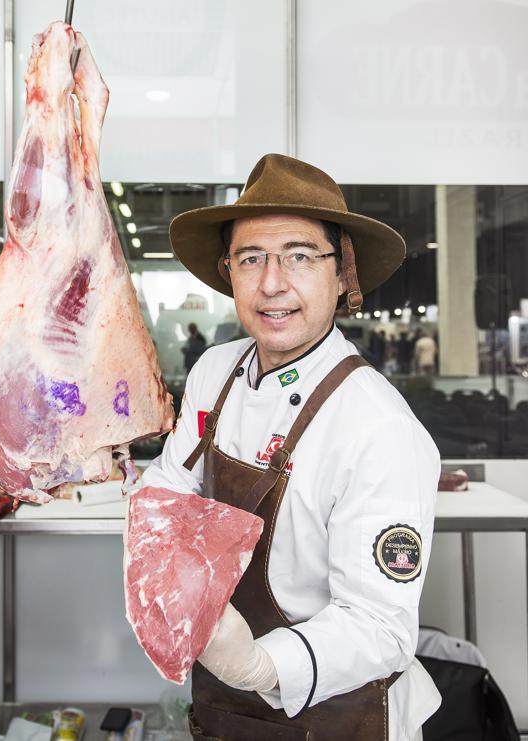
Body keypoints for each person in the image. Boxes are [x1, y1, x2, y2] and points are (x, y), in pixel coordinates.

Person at [146, 154, 440, 740]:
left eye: (300, 256)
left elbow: (381, 627)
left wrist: (258, 664)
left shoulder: (377, 426)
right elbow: (174, 482)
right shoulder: (215, 372)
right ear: (229, 271)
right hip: (222, 701)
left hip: (338, 712)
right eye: (251, 258)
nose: (272, 283)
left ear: (343, 275)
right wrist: (158, 551)